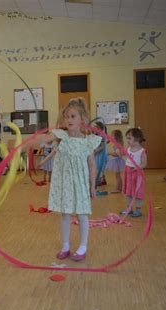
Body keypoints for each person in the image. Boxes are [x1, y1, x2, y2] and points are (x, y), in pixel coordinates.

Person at [25, 97, 101, 261]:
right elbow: (43, 139)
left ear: (83, 119)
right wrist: (27, 143)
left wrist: (92, 186)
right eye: (67, 116)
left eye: (73, 116)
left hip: (80, 184)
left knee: (82, 215)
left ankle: (82, 247)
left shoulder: (88, 141)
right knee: (65, 214)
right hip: (65, 183)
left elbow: (92, 165)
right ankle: (65, 245)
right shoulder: (60, 135)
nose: (69, 119)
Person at [121, 128, 147, 217]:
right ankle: (129, 209)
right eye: (127, 138)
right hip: (128, 171)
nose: (127, 140)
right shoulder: (128, 148)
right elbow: (123, 153)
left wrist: (137, 168)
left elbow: (144, 163)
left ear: (137, 139)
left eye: (129, 138)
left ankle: (138, 210)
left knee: (138, 191)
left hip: (137, 173)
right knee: (128, 191)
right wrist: (119, 152)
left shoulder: (142, 151)